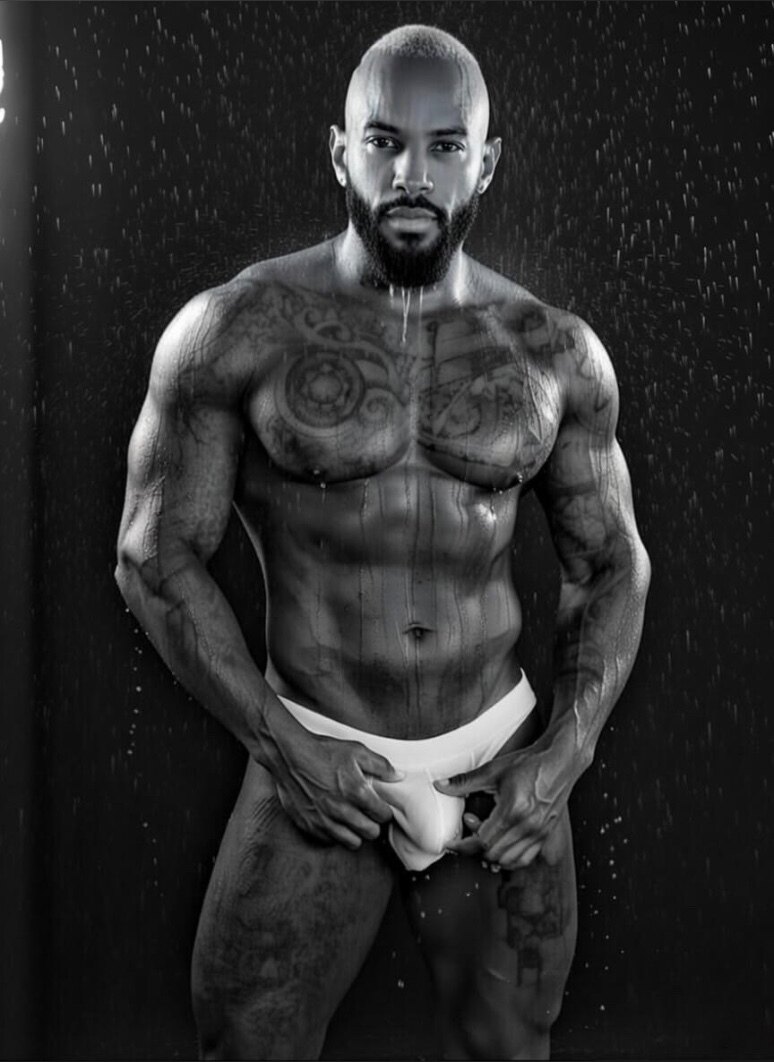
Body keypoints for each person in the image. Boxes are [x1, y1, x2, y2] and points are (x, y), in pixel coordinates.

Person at [115, 23, 650, 1062]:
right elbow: (153, 554)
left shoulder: (552, 351)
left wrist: (565, 754)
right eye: (384, 141)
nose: (412, 173)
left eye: (445, 146)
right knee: (249, 1045)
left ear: (485, 163)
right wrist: (281, 747)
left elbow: (612, 564)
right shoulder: (238, 329)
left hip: (497, 760)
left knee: (509, 1047)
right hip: (319, 749)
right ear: (339, 153)